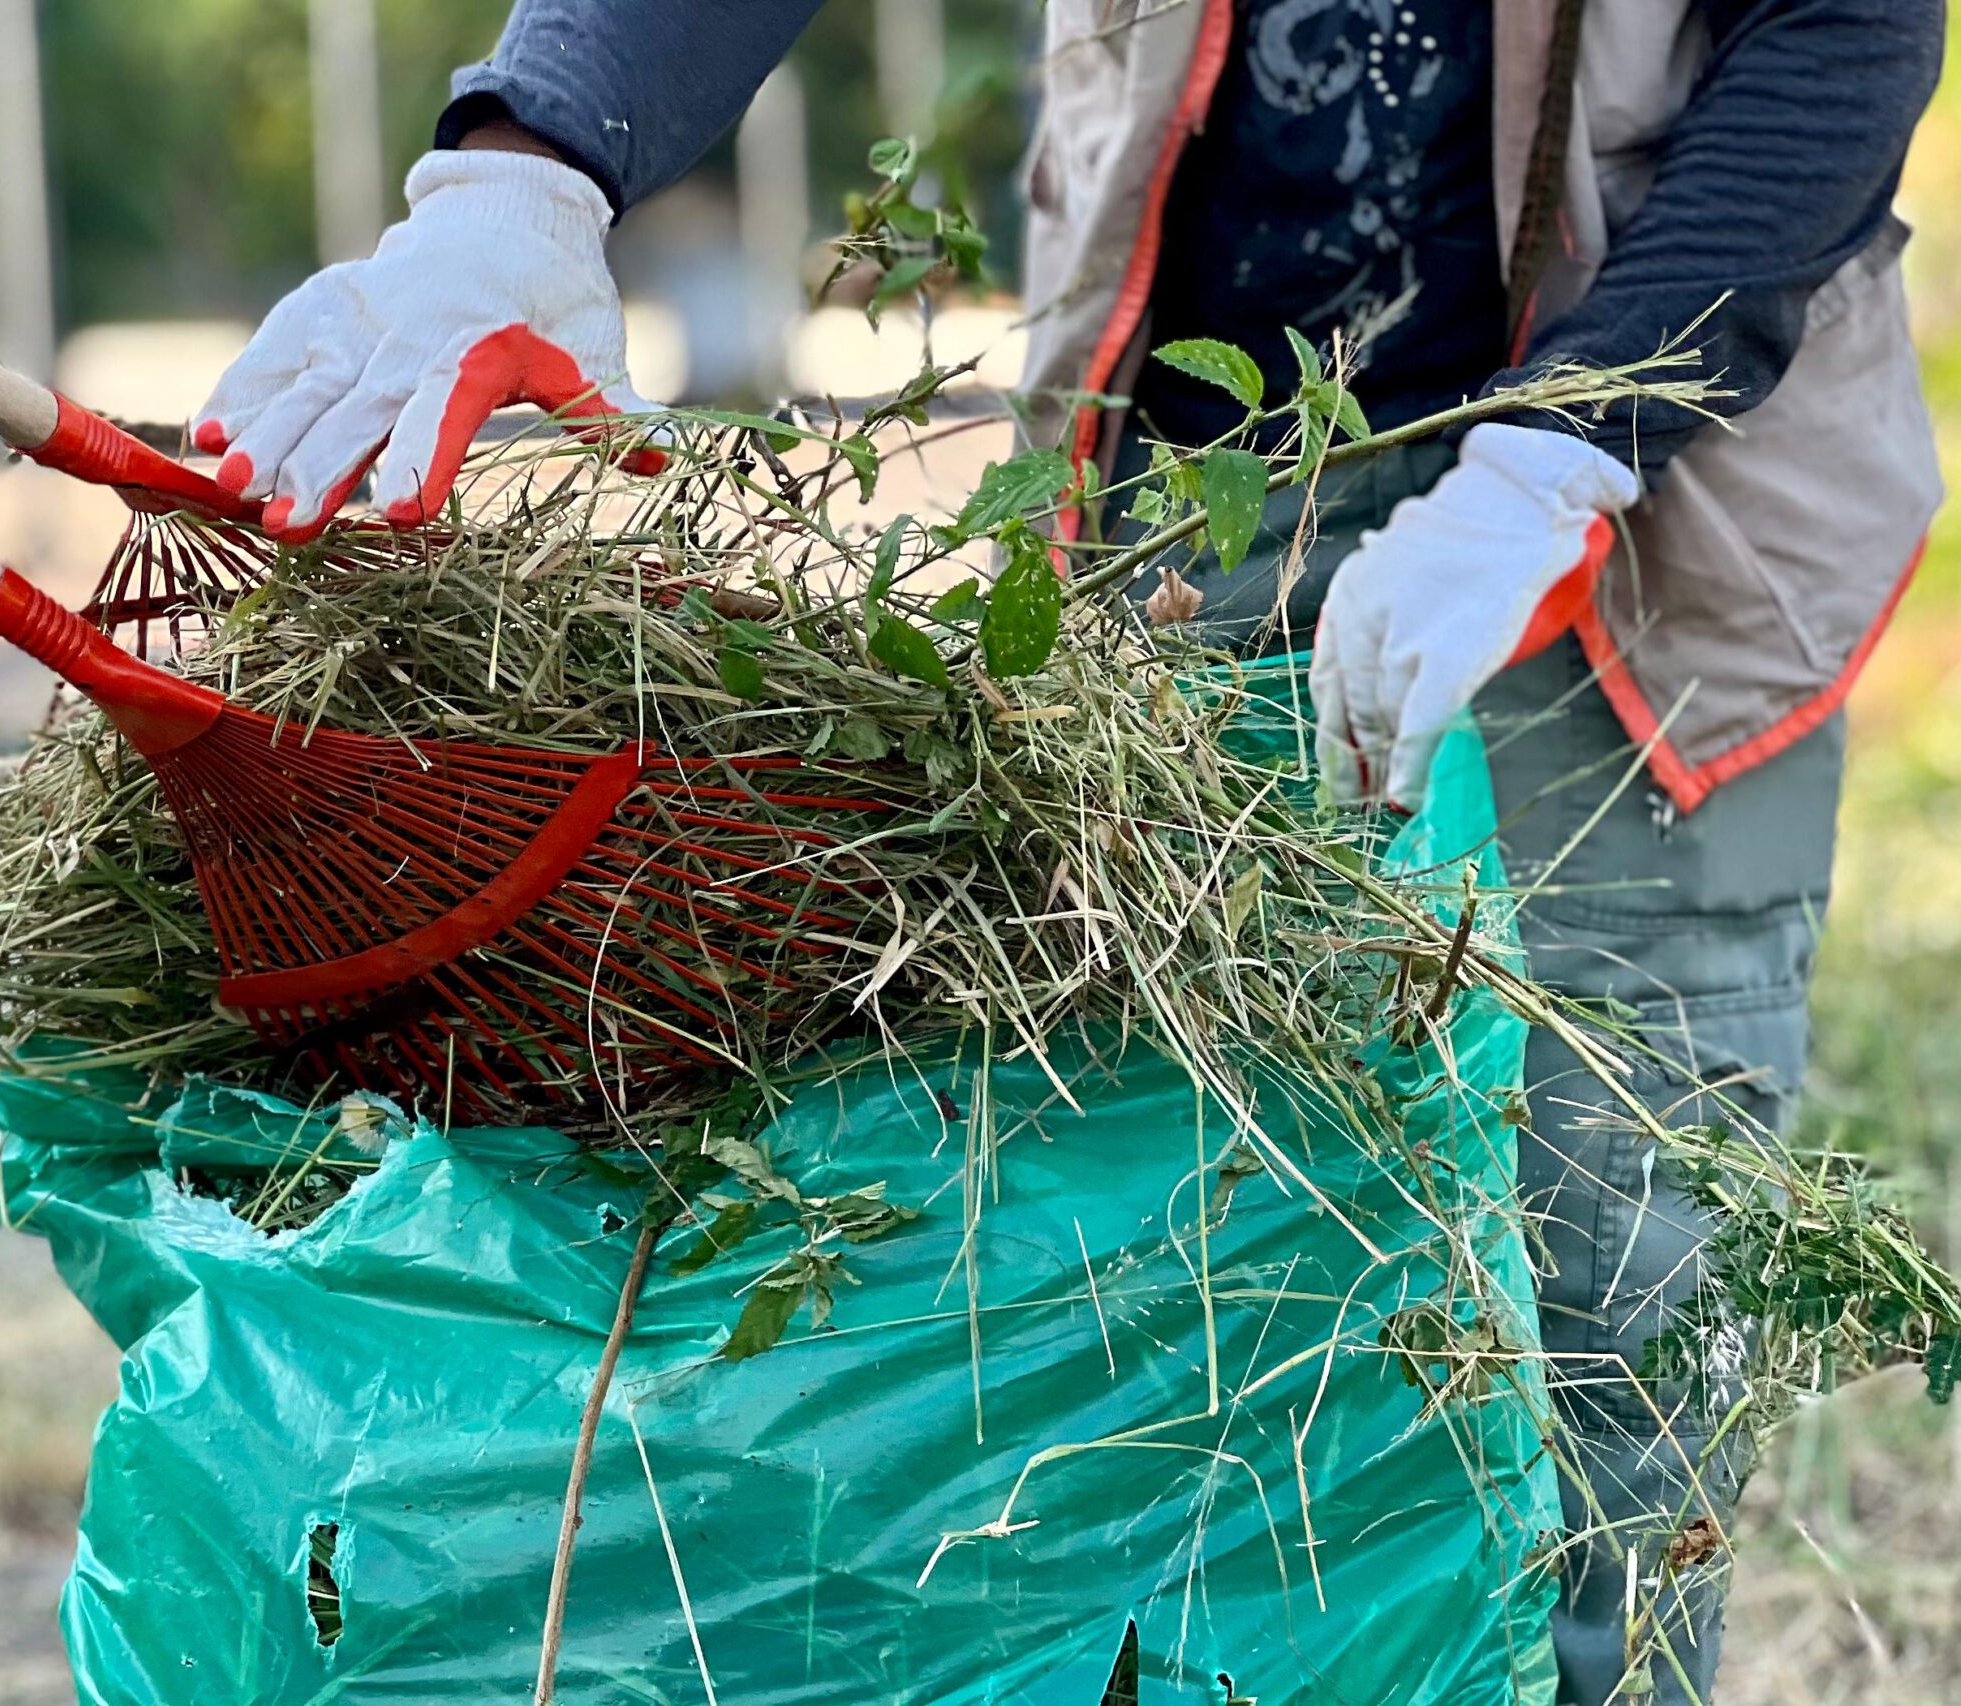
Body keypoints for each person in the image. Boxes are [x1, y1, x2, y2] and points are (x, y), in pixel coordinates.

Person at [192, 3, 1945, 1698]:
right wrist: (533, 157)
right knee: (1182, 1290)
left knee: (1592, 1277)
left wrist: (1568, 442)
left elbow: (1840, 23)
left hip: (1642, 517)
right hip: (1192, 503)